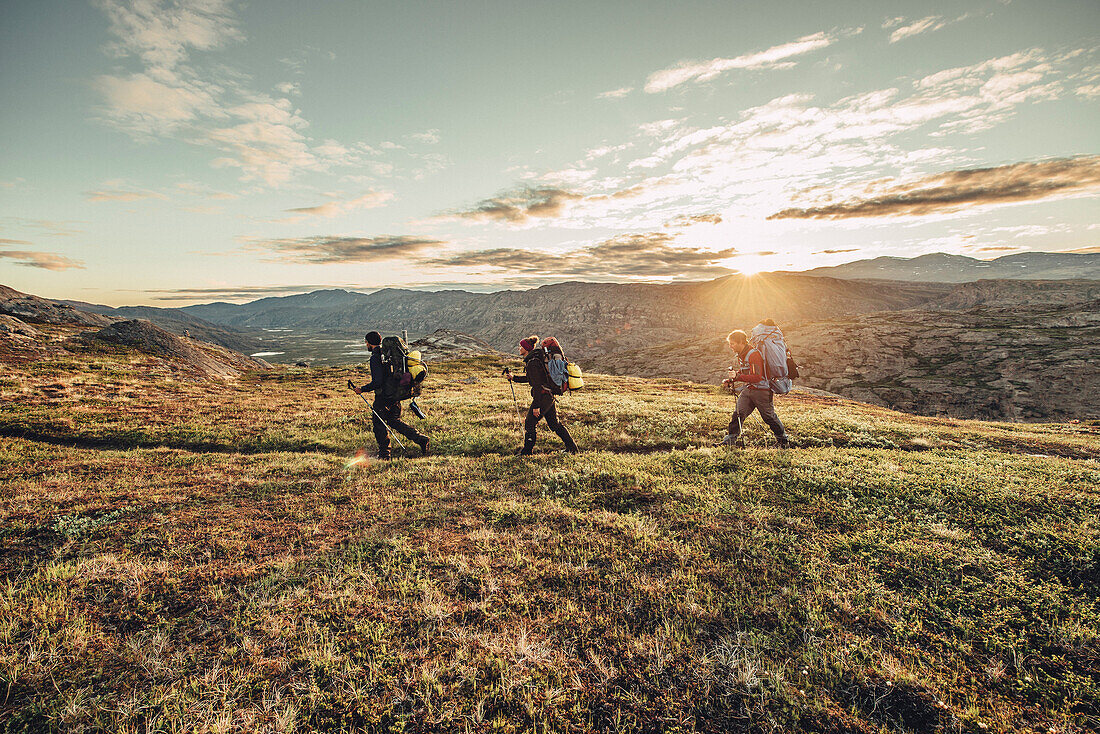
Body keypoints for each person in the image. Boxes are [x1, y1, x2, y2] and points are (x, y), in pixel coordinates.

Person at [353, 330, 430, 459]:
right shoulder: (389, 355)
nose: (366, 345)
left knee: (379, 424)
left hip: (384, 396)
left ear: (369, 343)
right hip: (396, 393)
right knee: (394, 421)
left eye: (366, 342)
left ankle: (385, 455)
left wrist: (362, 389)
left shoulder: (376, 358)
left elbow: (377, 382)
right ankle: (420, 439)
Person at [505, 335, 579, 455]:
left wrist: (536, 406)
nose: (519, 348)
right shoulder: (535, 360)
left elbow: (537, 386)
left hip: (544, 396)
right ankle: (572, 448)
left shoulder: (532, 363)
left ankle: (527, 452)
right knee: (554, 424)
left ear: (527, 348)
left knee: (530, 422)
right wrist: (514, 378)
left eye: (521, 346)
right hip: (549, 396)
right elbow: (532, 379)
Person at [719, 329, 790, 448]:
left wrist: (738, 376)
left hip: (762, 391)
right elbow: (746, 371)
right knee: (738, 414)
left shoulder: (754, 355)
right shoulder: (743, 354)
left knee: (769, 417)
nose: (730, 346)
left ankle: (783, 442)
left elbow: (757, 377)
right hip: (749, 389)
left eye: (733, 343)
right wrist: (733, 379)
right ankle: (730, 441)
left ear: (741, 342)